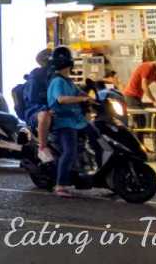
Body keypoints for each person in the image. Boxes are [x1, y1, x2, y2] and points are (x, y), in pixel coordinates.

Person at [47, 48, 100, 198]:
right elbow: (61, 99)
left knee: (96, 137)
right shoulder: (57, 80)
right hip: (64, 122)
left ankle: (88, 170)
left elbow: (79, 93)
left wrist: (91, 96)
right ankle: (60, 185)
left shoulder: (68, 81)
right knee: (69, 151)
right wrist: (82, 99)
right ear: (69, 64)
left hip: (76, 120)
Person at [123, 59, 156, 127]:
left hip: (137, 97)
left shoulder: (155, 72)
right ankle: (136, 137)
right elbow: (144, 86)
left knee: (141, 121)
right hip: (130, 96)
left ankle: (139, 137)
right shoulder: (148, 67)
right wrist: (154, 101)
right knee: (140, 120)